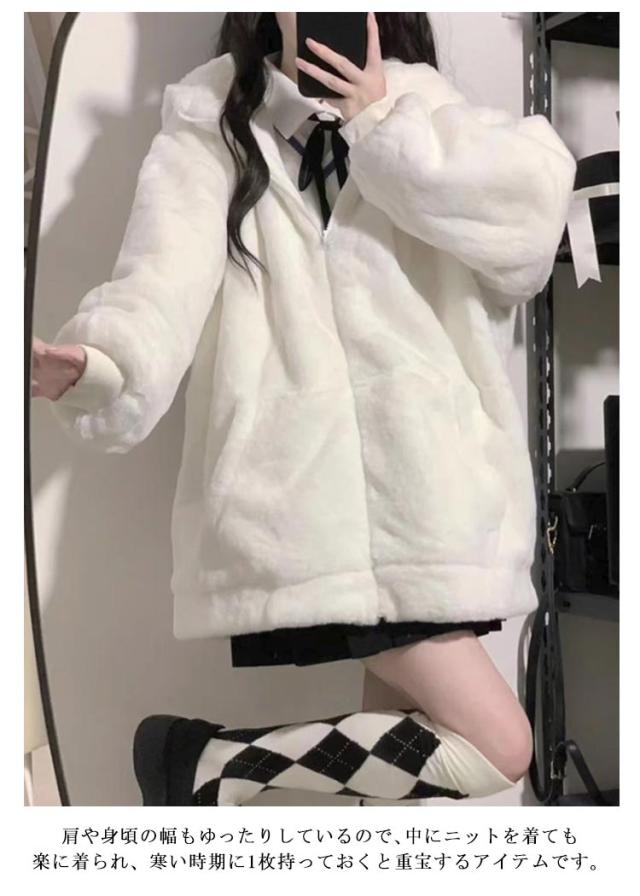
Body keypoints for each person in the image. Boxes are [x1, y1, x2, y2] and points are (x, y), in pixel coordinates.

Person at [31, 12, 577, 806]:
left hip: (431, 501)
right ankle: (205, 765)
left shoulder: (428, 108)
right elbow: (159, 281)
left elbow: (526, 230)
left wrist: (383, 124)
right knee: (502, 747)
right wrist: (103, 365)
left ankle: (211, 771)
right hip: (301, 507)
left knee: (397, 785)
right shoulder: (210, 123)